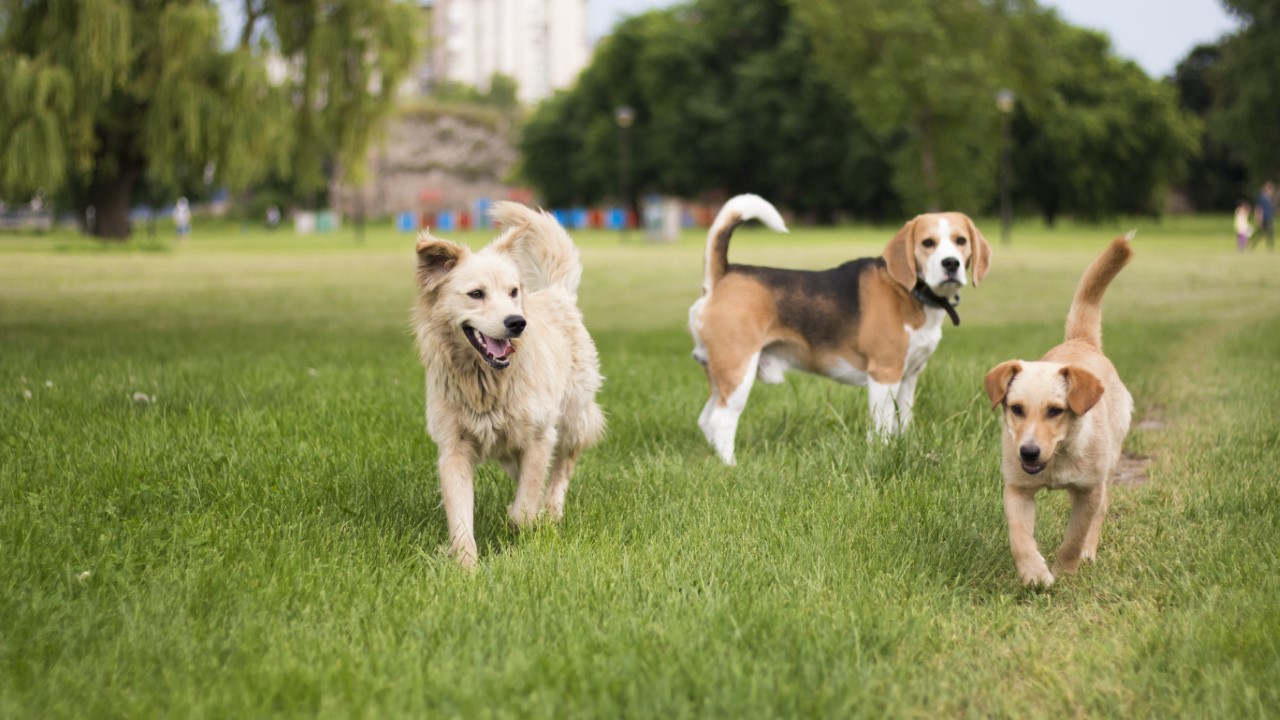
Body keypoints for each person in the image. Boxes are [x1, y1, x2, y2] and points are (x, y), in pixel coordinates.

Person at [1252, 181, 1274, 251]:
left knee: (1269, 232)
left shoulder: (1268, 198)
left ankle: (1269, 247)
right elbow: (1259, 208)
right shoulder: (1261, 198)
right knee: (1262, 232)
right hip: (1264, 217)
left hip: (1269, 217)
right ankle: (1254, 243)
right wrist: (1258, 218)